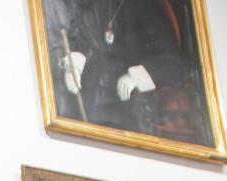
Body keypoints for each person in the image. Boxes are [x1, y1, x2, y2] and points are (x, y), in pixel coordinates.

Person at [50, 0, 190, 137]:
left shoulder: (148, 6)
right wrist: (74, 61)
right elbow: (73, 33)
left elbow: (175, 65)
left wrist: (136, 76)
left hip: (128, 109)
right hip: (88, 101)